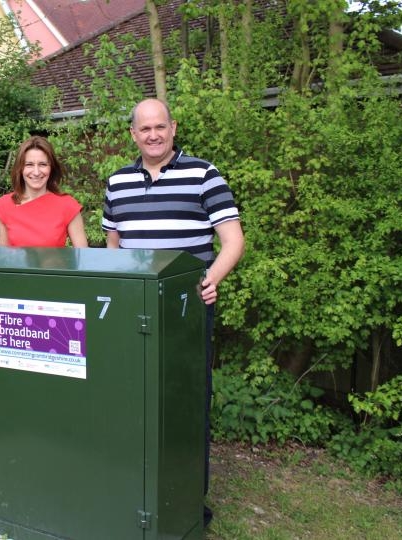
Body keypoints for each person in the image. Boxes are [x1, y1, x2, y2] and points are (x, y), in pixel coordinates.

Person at [102, 98, 245, 527]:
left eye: (160, 126)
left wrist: (209, 280)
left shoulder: (204, 174)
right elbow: (112, 242)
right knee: (131, 401)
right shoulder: (118, 182)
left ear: (173, 127)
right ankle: (134, 490)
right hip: (133, 313)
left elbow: (232, 240)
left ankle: (185, 500)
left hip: (185, 311)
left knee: (185, 404)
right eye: (144, 129)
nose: (153, 135)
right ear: (133, 134)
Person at [0, 136, 88, 248]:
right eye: (29, 165)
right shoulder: (3, 206)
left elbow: (83, 258)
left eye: (42, 164)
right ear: (20, 168)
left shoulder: (68, 206)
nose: (36, 172)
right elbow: (5, 258)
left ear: (51, 168)